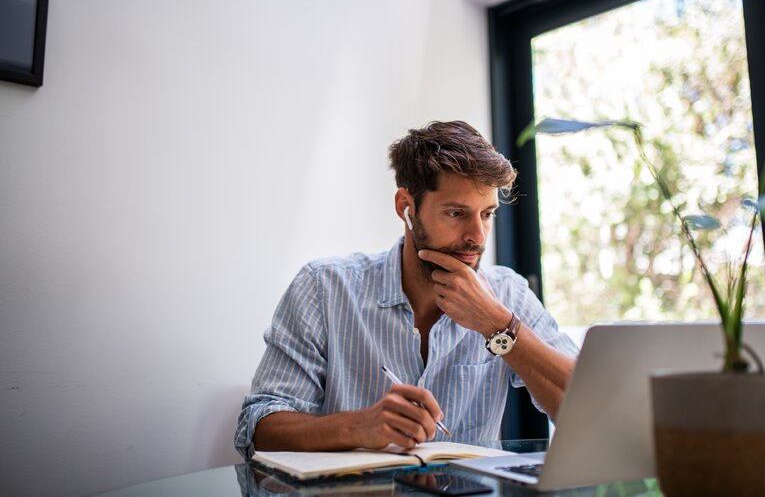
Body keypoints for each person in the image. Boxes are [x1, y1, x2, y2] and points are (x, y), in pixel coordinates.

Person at [235, 121, 578, 459]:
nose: (478, 236)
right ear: (406, 207)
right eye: (457, 213)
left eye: (487, 214)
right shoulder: (324, 288)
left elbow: (586, 407)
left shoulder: (507, 294)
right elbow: (259, 427)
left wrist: (498, 324)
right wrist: (358, 427)